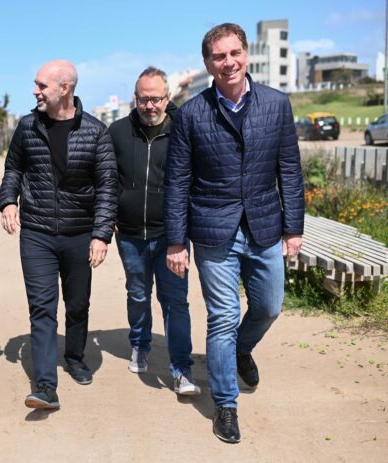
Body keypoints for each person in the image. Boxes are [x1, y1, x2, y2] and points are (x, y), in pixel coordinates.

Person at [164, 23, 304, 443]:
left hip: (265, 226)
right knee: (222, 316)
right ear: (208, 64)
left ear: (246, 54)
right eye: (218, 56)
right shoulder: (191, 114)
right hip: (213, 230)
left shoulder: (276, 104)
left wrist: (293, 228)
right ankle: (226, 404)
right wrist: (176, 241)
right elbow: (177, 182)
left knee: (269, 307)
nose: (228, 62)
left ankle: (242, 348)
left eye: (234, 53)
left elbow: (290, 170)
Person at [0, 60, 118, 409]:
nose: (35, 91)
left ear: (64, 88)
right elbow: (13, 168)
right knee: (42, 308)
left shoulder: (96, 132)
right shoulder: (27, 127)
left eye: (41, 85)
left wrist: (101, 235)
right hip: (37, 233)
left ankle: (75, 356)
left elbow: (108, 186)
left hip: (80, 233)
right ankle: (45, 385)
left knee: (78, 304)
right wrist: (8, 201)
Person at [109, 67, 200, 396]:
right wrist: (111, 212)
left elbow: (195, 178)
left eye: (156, 99)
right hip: (130, 233)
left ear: (167, 97)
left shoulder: (182, 130)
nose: (149, 106)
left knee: (175, 301)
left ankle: (182, 369)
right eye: (143, 99)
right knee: (137, 294)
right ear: (135, 98)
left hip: (171, 236)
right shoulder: (118, 132)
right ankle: (140, 343)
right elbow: (107, 178)